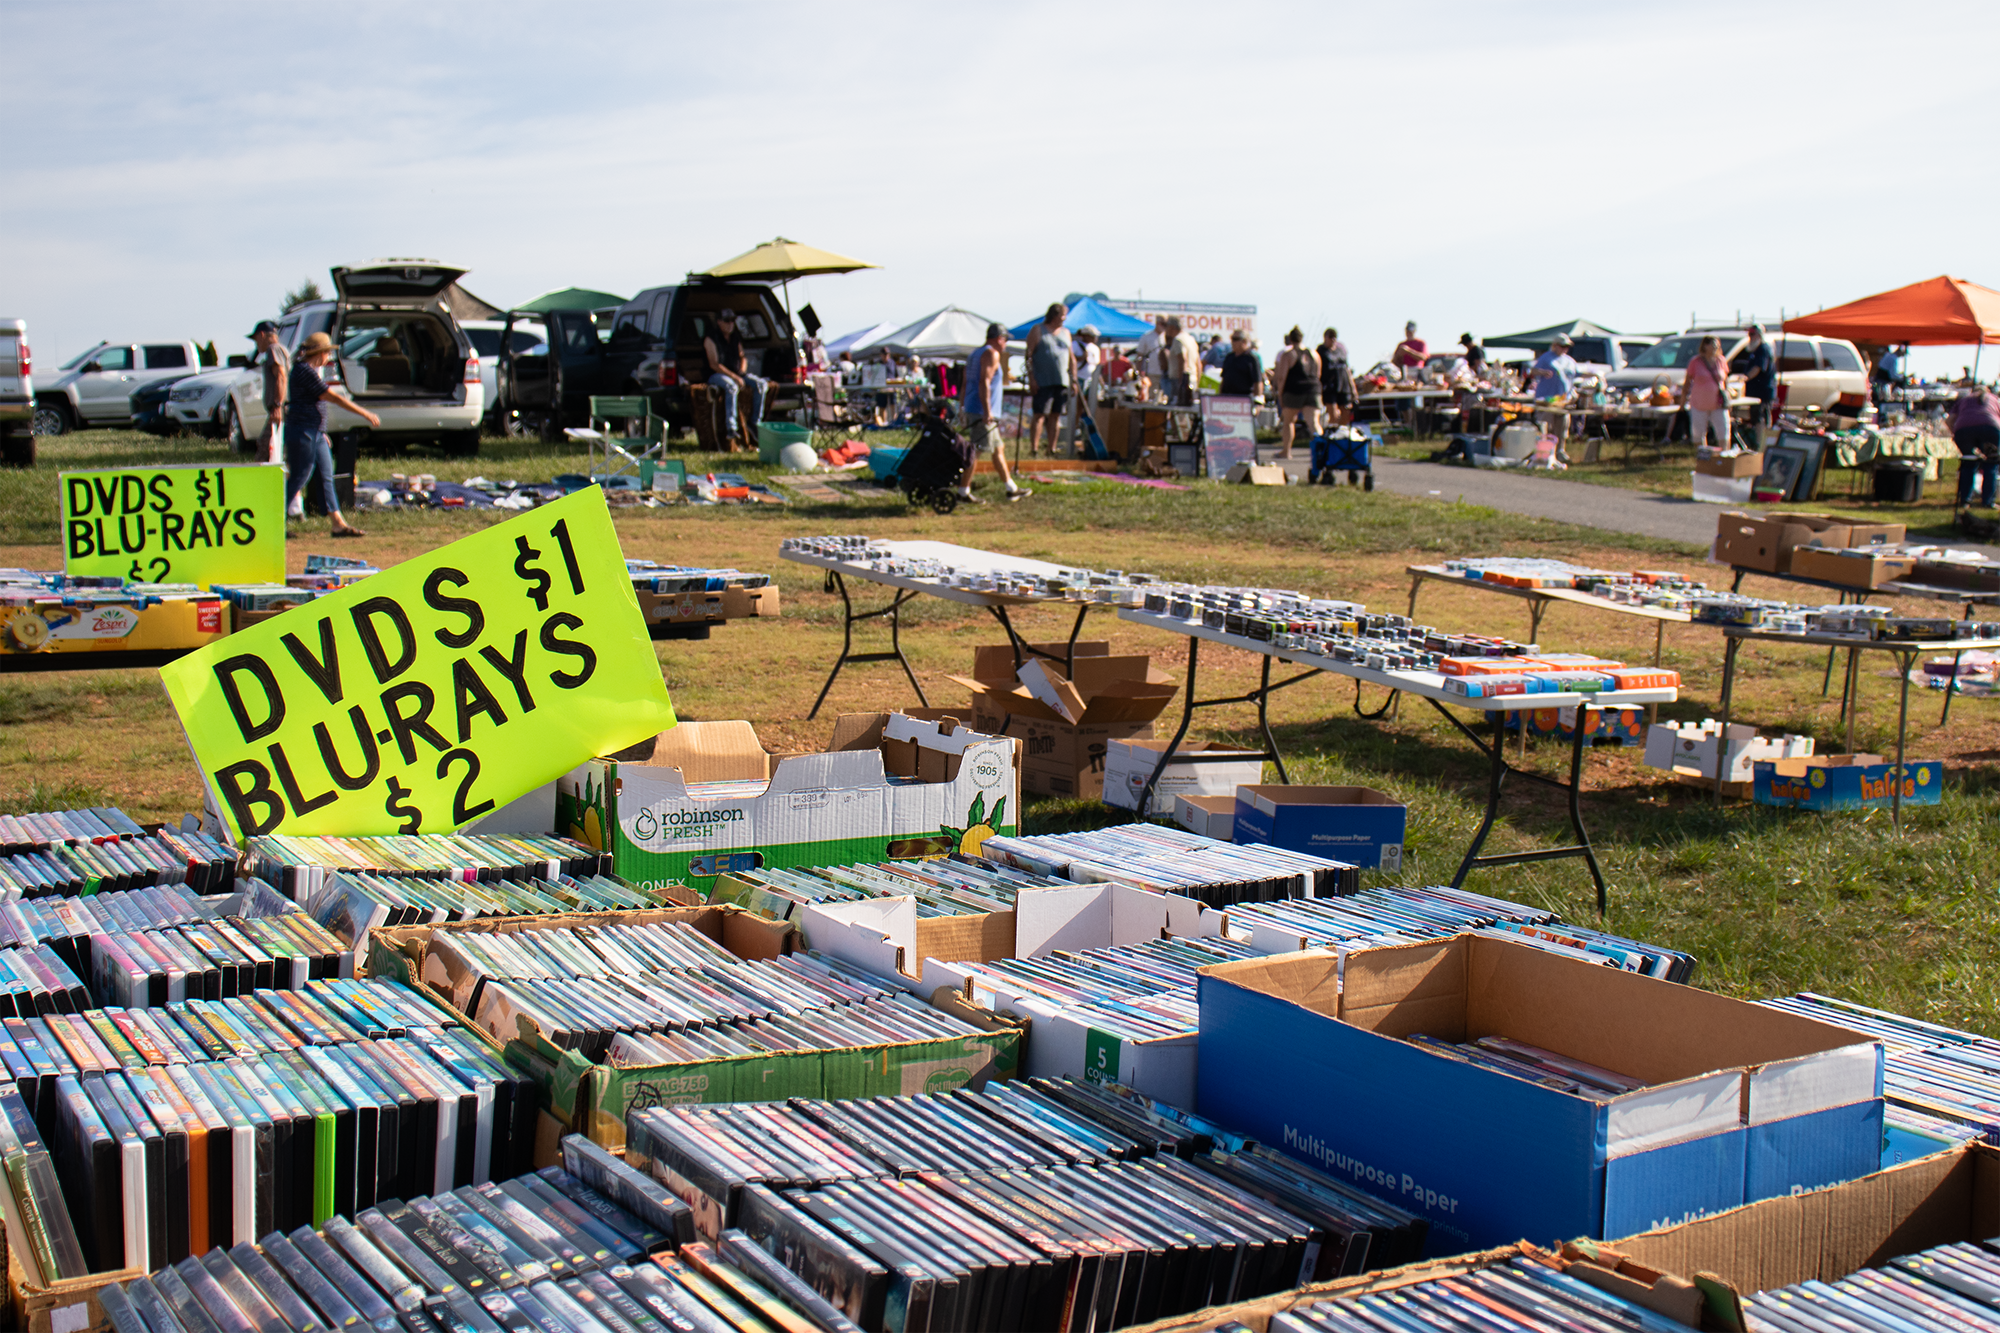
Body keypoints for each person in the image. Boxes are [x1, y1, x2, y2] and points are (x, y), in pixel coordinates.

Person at [285, 332, 375, 537]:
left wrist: (322, 431)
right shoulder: (303, 372)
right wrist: (364, 413)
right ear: (321, 353)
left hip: (316, 432)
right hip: (303, 431)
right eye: (327, 353)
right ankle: (275, 520)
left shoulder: (311, 371)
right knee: (300, 476)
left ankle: (337, 523)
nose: (328, 358)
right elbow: (330, 397)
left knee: (326, 476)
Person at [959, 323, 1032, 504]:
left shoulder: (974, 354)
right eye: (1005, 340)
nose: (1006, 344)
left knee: (998, 448)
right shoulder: (992, 354)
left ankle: (1011, 488)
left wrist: (962, 407)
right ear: (999, 338)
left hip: (974, 407)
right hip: (982, 410)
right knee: (976, 451)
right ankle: (963, 491)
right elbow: (984, 382)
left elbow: (965, 382)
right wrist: (987, 411)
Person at [703, 308, 767, 450]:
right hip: (717, 375)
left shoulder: (735, 337)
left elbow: (742, 356)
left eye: (733, 320)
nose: (731, 324)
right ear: (719, 322)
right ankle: (731, 428)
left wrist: (742, 372)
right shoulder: (711, 338)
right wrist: (735, 377)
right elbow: (714, 364)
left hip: (737, 373)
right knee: (731, 386)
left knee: (761, 385)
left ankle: (755, 423)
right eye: (727, 321)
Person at [1025, 302, 1072, 457]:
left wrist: (1074, 379)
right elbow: (1029, 355)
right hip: (1042, 380)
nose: (1064, 319)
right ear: (1055, 315)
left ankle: (1051, 448)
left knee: (1056, 415)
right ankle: (1034, 448)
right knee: (1039, 414)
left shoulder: (1066, 332)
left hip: (1061, 380)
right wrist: (1032, 378)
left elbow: (1071, 358)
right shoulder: (1038, 330)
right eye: (1063, 315)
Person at [1525, 332, 1581, 462]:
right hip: (1546, 399)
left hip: (1562, 399)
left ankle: (1560, 451)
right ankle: (1543, 453)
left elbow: (1576, 374)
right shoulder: (1546, 358)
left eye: (1567, 346)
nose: (1564, 348)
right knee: (1545, 426)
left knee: (1562, 426)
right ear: (1555, 345)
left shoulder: (1569, 361)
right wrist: (1542, 372)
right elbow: (1533, 371)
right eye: (1562, 346)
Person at [1272, 326, 1321, 459]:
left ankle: (1286, 451)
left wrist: (1280, 394)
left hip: (1293, 390)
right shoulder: (1314, 354)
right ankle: (1323, 451)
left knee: (1288, 421)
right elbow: (1317, 374)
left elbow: (1282, 377)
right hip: (1312, 390)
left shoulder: (1288, 355)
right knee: (1314, 423)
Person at [1951, 381, 2000, 509]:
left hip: (1964, 430)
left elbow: (1949, 419)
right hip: (1990, 428)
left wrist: (1954, 433)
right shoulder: (1994, 398)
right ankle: (1988, 502)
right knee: (1990, 464)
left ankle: (1965, 501)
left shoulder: (1964, 399)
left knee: (1968, 463)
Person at [1681, 335, 1732, 450]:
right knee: (1698, 433)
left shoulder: (1721, 360)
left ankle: (1724, 457)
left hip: (1718, 403)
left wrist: (1728, 396)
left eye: (1717, 345)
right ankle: (1703, 458)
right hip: (1699, 403)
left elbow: (1725, 380)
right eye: (1713, 344)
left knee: (1723, 430)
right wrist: (1683, 401)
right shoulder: (1695, 362)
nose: (1715, 347)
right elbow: (1687, 382)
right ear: (1705, 345)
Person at [248, 320, 288, 465]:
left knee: (265, 449)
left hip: (280, 408)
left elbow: (281, 376)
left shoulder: (273, 349)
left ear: (262, 335)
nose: (256, 344)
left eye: (256, 339)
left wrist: (278, 405)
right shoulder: (280, 349)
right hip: (282, 407)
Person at [1729, 325, 1775, 446]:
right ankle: (1758, 441)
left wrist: (1745, 377)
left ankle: (1761, 443)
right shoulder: (1754, 350)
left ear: (1760, 335)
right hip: (1754, 390)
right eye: (1749, 334)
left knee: (1760, 416)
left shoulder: (1763, 349)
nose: (1750, 337)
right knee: (1755, 416)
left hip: (1762, 391)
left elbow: (1758, 368)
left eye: (1752, 334)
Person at [1318, 328, 1353, 425]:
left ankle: (1341, 432)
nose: (1332, 339)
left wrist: (1352, 388)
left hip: (1343, 385)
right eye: (1330, 336)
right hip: (1329, 386)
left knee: (1346, 412)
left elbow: (1347, 368)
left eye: (1334, 337)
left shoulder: (1340, 351)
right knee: (1333, 414)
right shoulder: (1321, 351)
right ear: (1325, 337)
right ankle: (1332, 433)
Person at [1165, 317, 1201, 407]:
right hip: (1193, 379)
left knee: (1176, 410)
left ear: (1172, 327)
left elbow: (1182, 360)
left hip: (1180, 380)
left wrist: (1181, 384)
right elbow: (1198, 364)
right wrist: (1197, 381)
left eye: (1167, 326)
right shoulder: (1191, 339)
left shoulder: (1178, 340)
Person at [1218, 329, 1262, 397]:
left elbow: (1257, 382)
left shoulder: (1251, 358)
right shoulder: (1229, 357)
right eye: (1232, 339)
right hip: (1227, 397)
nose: (1232, 342)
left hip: (1243, 398)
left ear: (1244, 341)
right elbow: (1223, 380)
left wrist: (1257, 400)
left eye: (1235, 339)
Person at [1136, 316, 1167, 401]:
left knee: (1163, 399)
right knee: (1151, 398)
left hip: (1165, 374)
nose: (1164, 326)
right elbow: (1140, 356)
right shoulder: (1147, 337)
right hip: (1151, 373)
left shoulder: (1167, 337)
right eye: (1163, 324)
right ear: (1157, 323)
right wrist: (1139, 373)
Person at [1073, 325, 1103, 394]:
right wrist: (1080, 358)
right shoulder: (1075, 345)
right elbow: (1069, 360)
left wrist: (1101, 381)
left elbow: (1096, 366)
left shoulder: (1095, 348)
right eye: (1093, 335)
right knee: (1078, 400)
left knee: (1092, 401)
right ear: (1086, 335)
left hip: (1091, 379)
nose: (1095, 338)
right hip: (1079, 378)